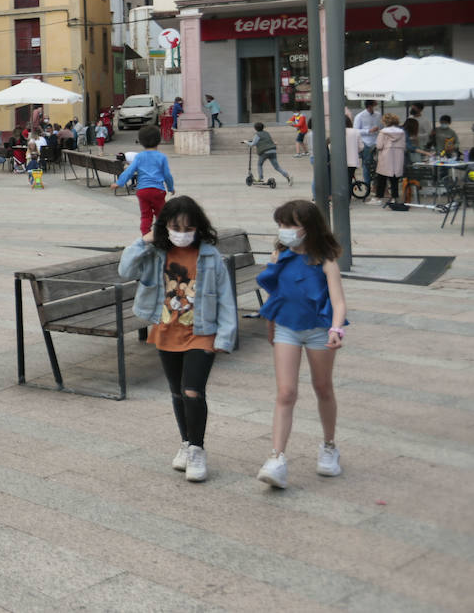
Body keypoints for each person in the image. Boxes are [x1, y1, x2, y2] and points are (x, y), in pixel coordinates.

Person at [118, 196, 236, 483]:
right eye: (175, 227)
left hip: (201, 332)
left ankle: (197, 449)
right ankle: (186, 441)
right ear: (165, 227)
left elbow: (225, 297)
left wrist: (226, 335)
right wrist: (144, 240)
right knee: (177, 393)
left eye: (188, 227)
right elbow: (125, 270)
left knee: (193, 391)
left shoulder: (210, 257)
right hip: (167, 331)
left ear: (198, 227)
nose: (182, 233)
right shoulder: (156, 253)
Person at [255, 200, 349, 489]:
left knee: (323, 388)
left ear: (309, 228)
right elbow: (275, 294)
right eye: (281, 225)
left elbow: (338, 300)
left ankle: (329, 446)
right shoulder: (278, 255)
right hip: (286, 329)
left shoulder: (326, 258)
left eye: (290, 224)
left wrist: (336, 329)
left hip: (320, 331)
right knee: (286, 392)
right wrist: (270, 324)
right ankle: (276, 458)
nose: (284, 231)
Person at [114, 125, 175, 234]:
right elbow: (167, 175)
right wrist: (171, 188)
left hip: (142, 191)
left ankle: (145, 236)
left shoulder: (139, 157)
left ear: (141, 142)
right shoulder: (162, 157)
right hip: (157, 191)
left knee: (146, 215)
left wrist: (120, 182)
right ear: (159, 140)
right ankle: (161, 235)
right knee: (161, 214)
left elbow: (129, 171)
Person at [374, 113, 407, 205]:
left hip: (386, 156)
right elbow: (404, 145)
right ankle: (394, 197)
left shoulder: (383, 132)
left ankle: (379, 197)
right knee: (395, 178)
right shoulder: (402, 132)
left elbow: (379, 146)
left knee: (381, 178)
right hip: (398, 156)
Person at [353, 100, 381, 183]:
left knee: (378, 164)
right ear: (369, 106)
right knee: (367, 164)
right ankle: (367, 183)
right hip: (366, 143)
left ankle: (376, 184)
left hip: (377, 142)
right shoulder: (360, 116)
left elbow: (381, 126)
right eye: (375, 104)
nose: (377, 106)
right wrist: (368, 131)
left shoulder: (378, 115)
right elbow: (356, 130)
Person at [344, 115, 362, 188]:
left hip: (339, 162)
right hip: (352, 161)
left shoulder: (336, 132)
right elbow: (361, 147)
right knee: (349, 180)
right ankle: (348, 197)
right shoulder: (356, 131)